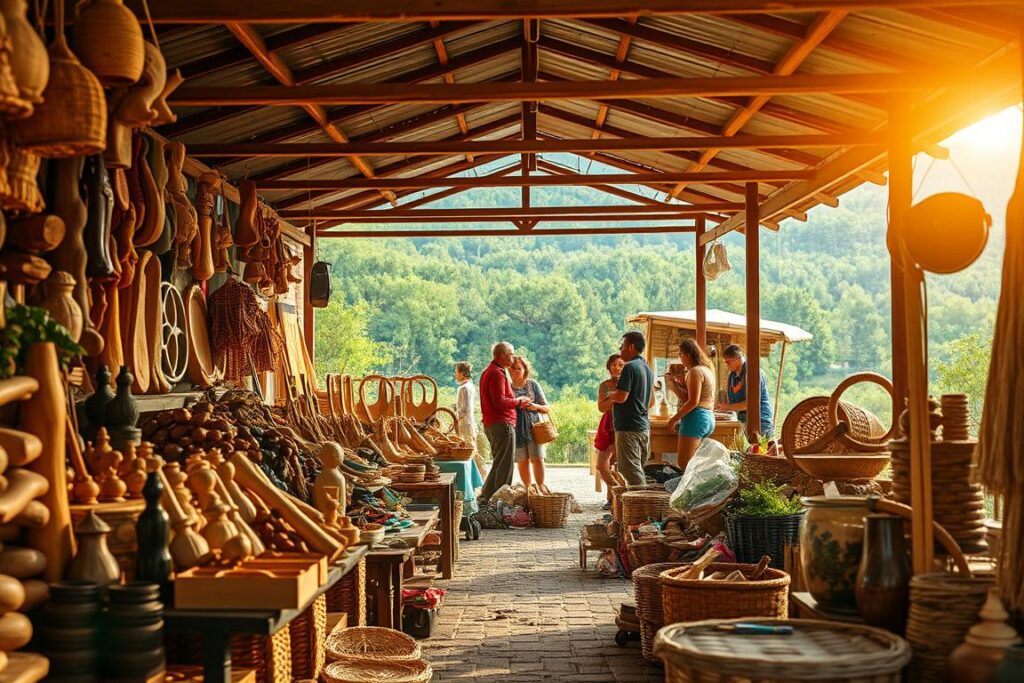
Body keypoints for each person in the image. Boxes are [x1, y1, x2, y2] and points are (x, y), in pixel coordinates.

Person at [478, 342, 530, 503]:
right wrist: (518, 401)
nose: (513, 357)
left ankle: (486, 499)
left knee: (499, 464)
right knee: (505, 467)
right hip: (502, 424)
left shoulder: (490, 371)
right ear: (502, 355)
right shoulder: (496, 373)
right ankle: (500, 502)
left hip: (494, 423)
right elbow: (500, 401)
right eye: (511, 354)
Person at [609, 331, 655, 486]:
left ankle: (640, 508)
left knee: (631, 473)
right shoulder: (647, 368)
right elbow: (651, 402)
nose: (620, 350)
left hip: (629, 428)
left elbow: (622, 396)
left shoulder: (629, 367)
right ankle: (639, 506)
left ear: (631, 347)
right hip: (643, 427)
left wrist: (611, 396)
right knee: (638, 469)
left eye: (622, 346)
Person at [666, 339, 716, 468]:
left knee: (685, 465)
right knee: (696, 466)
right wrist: (676, 384)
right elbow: (688, 397)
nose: (680, 357)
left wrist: (674, 419)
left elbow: (692, 401)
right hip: (708, 417)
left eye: (680, 354)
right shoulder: (706, 369)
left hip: (696, 417)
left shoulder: (695, 372)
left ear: (688, 354)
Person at [508, 355, 550, 489]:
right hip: (516, 427)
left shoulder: (533, 385)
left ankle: (540, 487)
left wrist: (534, 406)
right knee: (522, 460)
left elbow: (546, 408)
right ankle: (528, 490)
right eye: (513, 368)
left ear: (525, 370)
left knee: (537, 458)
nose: (515, 371)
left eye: (518, 368)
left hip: (534, 427)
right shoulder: (507, 387)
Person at [717, 344, 775, 439]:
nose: (726, 365)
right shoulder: (732, 376)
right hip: (743, 421)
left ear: (738, 357)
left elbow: (751, 404)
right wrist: (724, 405)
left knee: (763, 451)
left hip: (760, 422)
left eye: (728, 362)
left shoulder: (753, 373)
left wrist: (728, 407)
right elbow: (733, 401)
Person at [596, 353, 625, 510]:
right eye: (614, 365)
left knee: (619, 465)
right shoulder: (605, 385)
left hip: (624, 426)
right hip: (608, 425)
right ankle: (616, 492)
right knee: (602, 465)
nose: (617, 368)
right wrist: (613, 398)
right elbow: (601, 407)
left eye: (621, 365)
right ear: (609, 367)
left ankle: (613, 499)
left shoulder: (629, 383)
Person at [454, 361, 486, 479]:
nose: (455, 375)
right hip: (468, 423)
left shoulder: (463, 388)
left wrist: (455, 418)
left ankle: (481, 477)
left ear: (462, 373)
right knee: (472, 451)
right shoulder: (470, 386)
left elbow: (464, 409)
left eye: (456, 372)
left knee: (470, 452)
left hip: (465, 424)